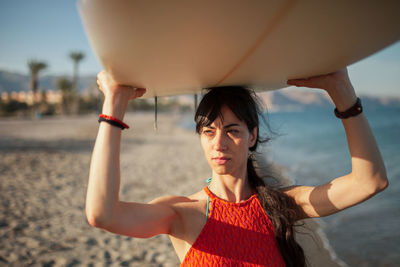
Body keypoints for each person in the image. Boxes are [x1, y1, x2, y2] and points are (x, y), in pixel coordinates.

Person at [86, 68, 388, 266]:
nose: (219, 143)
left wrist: (342, 91)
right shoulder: (181, 213)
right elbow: (102, 214)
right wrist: (113, 105)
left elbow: (369, 182)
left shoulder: (283, 205)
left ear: (252, 135)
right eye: (209, 131)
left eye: (232, 130)